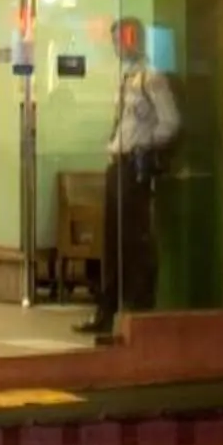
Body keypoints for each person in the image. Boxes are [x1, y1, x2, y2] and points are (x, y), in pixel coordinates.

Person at [81, 18, 179, 338]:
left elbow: (170, 122)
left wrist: (144, 145)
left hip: (134, 166)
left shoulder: (152, 78)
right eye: (114, 40)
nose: (118, 46)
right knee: (112, 242)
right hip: (117, 163)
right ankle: (106, 311)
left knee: (133, 241)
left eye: (122, 38)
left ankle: (137, 311)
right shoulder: (124, 78)